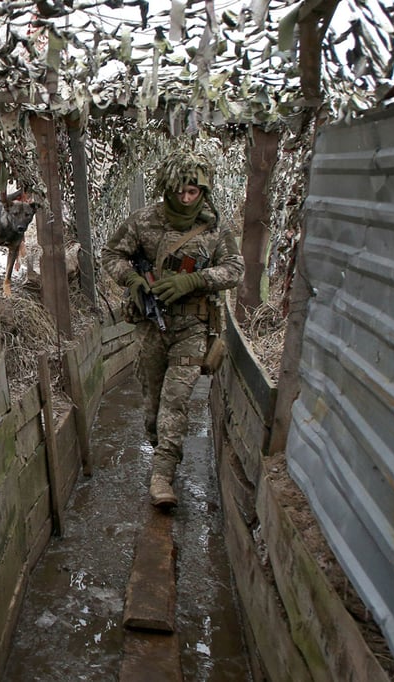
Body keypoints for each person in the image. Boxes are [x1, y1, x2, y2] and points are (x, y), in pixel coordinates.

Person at [101, 152, 244, 510]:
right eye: (179, 191)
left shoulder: (214, 229)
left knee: (176, 399)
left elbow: (235, 269)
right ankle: (160, 446)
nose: (185, 198)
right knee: (152, 406)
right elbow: (110, 255)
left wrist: (195, 279)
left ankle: (162, 474)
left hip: (193, 325)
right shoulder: (144, 220)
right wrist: (132, 279)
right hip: (151, 327)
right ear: (167, 187)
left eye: (193, 192)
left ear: (203, 190)